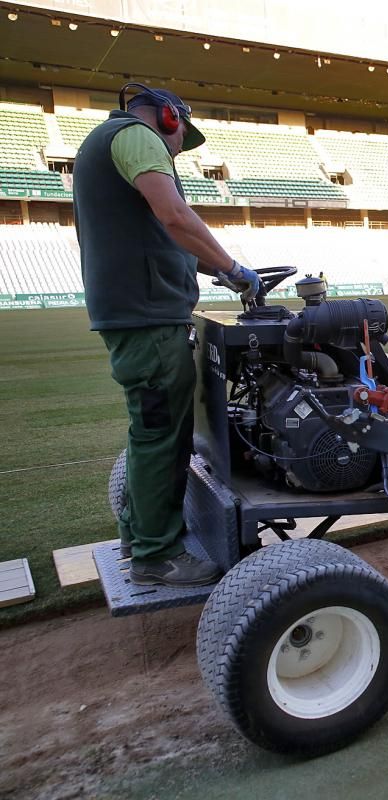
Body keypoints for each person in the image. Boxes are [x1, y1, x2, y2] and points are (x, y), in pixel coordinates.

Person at [74, 84, 260, 587]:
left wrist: (221, 269)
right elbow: (175, 216)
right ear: (169, 119)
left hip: (138, 317)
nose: (179, 152)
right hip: (148, 321)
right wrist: (236, 268)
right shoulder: (137, 136)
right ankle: (158, 556)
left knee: (150, 432)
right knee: (162, 436)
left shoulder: (113, 142)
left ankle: (140, 536)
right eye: (182, 139)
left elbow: (170, 237)